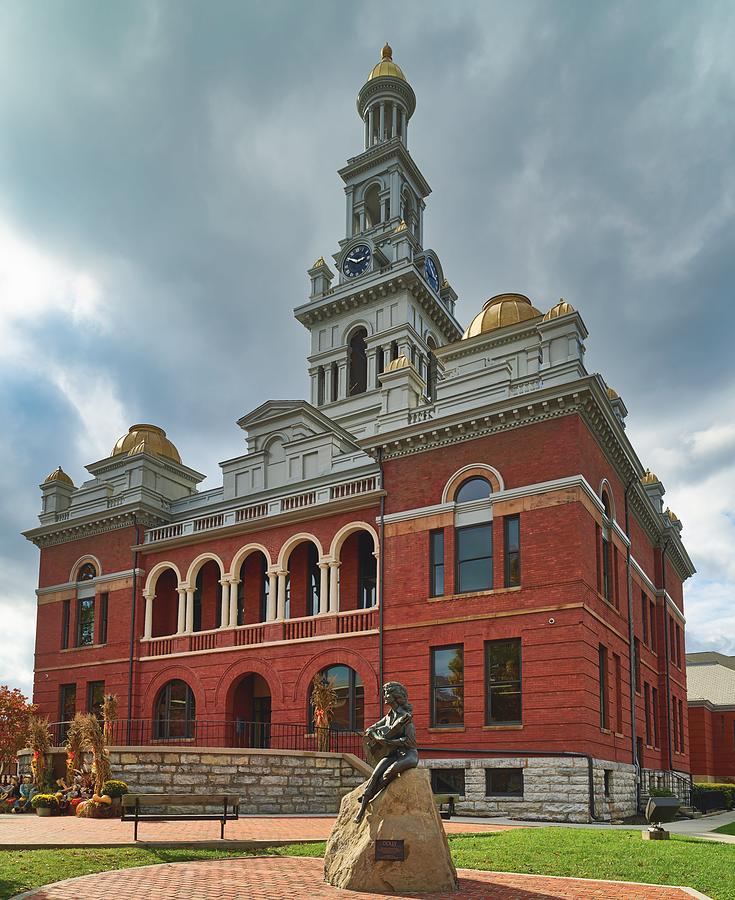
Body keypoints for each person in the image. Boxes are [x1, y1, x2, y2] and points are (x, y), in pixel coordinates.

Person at [354, 681, 418, 824]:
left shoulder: (405, 718)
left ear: (395, 696)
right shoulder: (389, 716)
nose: (384, 696)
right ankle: (362, 808)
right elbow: (370, 729)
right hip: (392, 753)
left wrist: (389, 742)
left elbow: (410, 742)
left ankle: (370, 795)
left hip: (408, 754)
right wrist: (378, 737)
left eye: (387, 693)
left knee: (390, 771)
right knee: (376, 774)